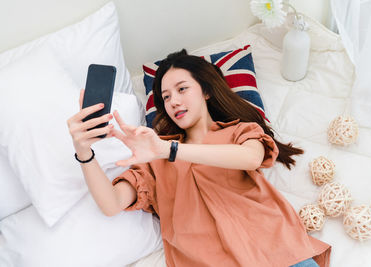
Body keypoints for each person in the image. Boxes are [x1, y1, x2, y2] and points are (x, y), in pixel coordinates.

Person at [67, 50, 331, 267]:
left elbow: (251, 158)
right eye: (166, 97)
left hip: (278, 253)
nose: (173, 102)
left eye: (182, 89)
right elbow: (112, 204)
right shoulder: (155, 159)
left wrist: (169, 151)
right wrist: (84, 151)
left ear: (205, 91)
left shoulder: (239, 132)